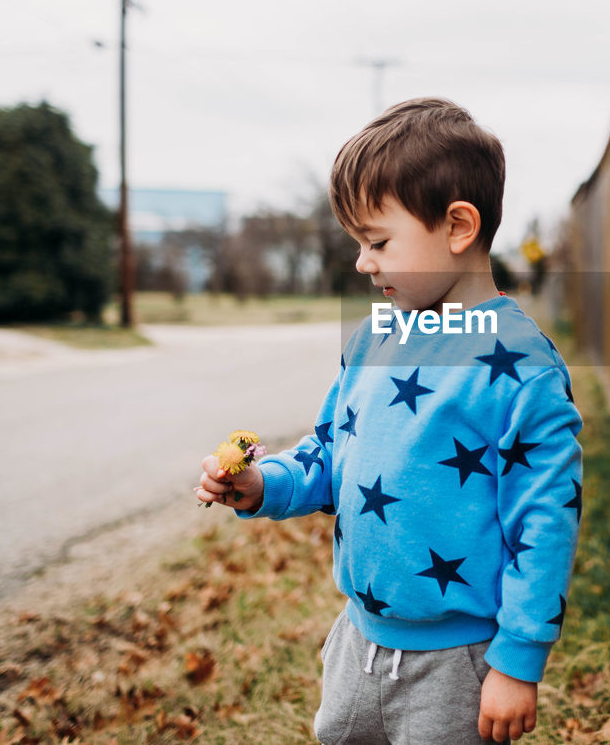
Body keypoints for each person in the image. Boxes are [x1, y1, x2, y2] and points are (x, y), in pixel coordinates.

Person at [195, 97, 583, 744]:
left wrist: (517, 659)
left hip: (456, 664)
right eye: (358, 243)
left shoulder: (519, 368)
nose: (362, 262)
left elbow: (546, 520)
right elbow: (328, 453)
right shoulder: (372, 341)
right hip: (357, 639)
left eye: (378, 241)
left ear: (458, 227)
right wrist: (264, 485)